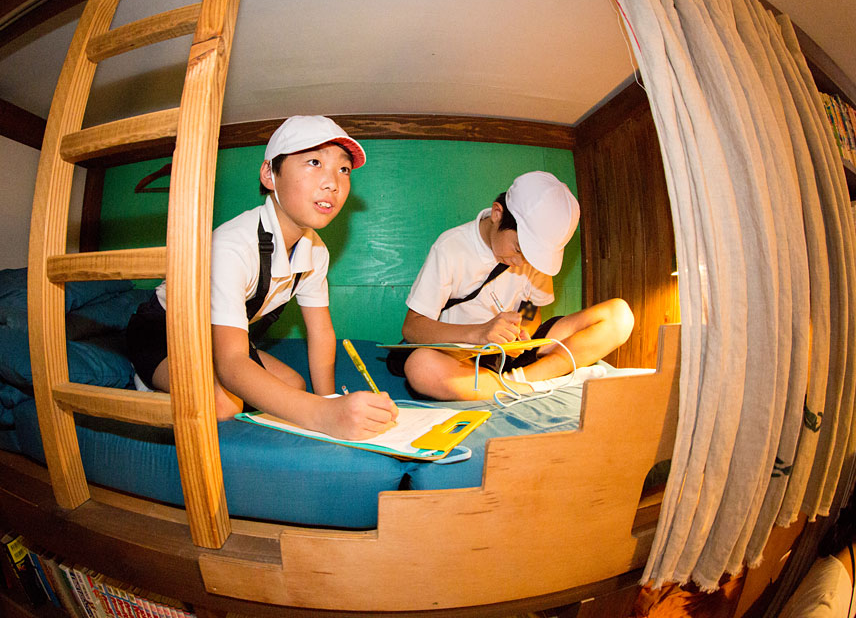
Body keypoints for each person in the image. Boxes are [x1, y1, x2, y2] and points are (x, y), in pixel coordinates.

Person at [126, 115, 397, 439]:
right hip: (165, 331)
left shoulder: (316, 252)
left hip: (217, 336)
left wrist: (328, 401)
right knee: (224, 405)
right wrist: (322, 415)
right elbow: (232, 362)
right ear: (270, 174)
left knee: (294, 384)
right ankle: (147, 381)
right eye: (314, 162)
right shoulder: (231, 245)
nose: (333, 182)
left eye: (344, 169)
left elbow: (321, 333)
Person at [390, 171, 634, 401]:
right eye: (518, 249)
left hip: (513, 353)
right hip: (466, 355)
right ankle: (534, 381)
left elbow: (531, 307)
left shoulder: (529, 258)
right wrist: (480, 333)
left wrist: (522, 330)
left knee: (619, 316)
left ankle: (518, 382)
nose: (520, 262)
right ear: (497, 214)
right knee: (420, 366)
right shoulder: (450, 248)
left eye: (531, 258)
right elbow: (413, 327)